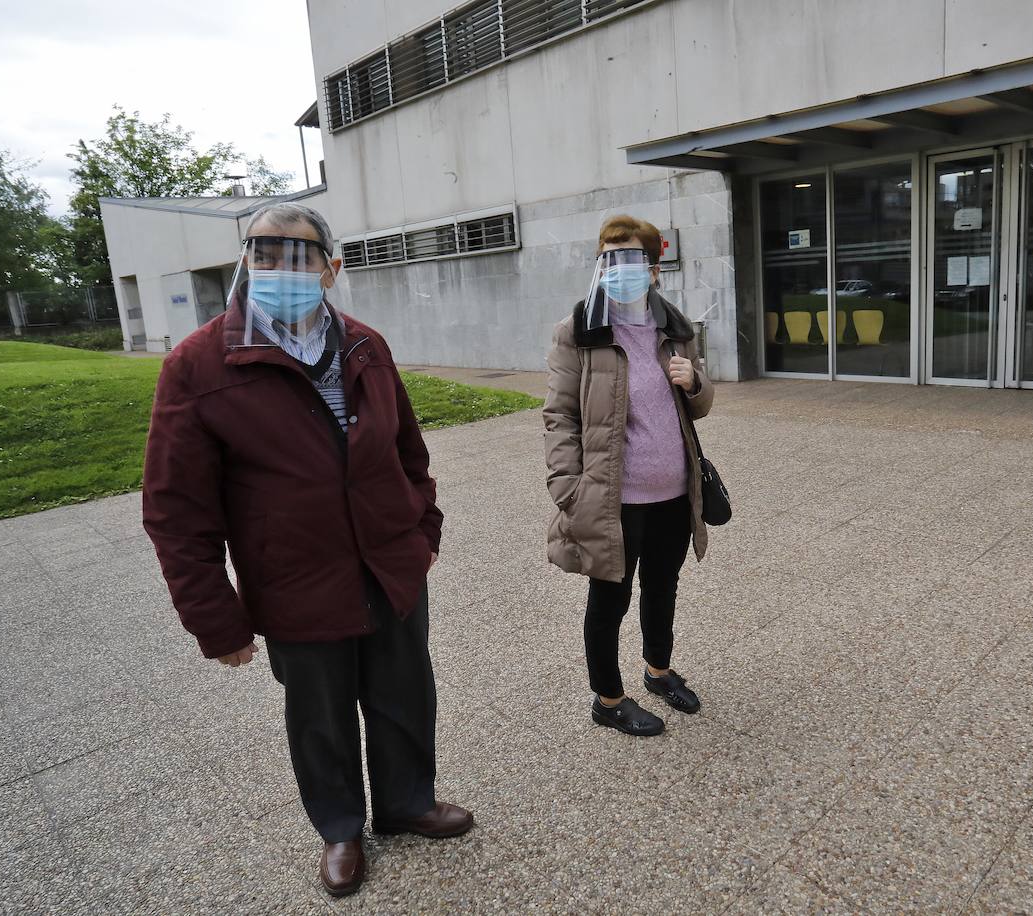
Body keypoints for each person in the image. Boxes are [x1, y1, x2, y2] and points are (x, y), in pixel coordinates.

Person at [142, 202, 472, 897]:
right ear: (246, 262)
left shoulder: (365, 346)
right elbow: (176, 509)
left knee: (404, 695)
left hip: (390, 566)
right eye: (263, 253)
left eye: (297, 255)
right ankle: (341, 828)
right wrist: (215, 617)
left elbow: (409, 454)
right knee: (318, 716)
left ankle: (409, 802)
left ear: (331, 267)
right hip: (294, 579)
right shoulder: (199, 365)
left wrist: (424, 531)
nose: (279, 268)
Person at [543, 215, 715, 737]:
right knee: (610, 598)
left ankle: (659, 672)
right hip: (612, 497)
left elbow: (699, 408)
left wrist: (696, 384)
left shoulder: (676, 331)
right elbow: (559, 416)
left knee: (663, 586)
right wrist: (569, 488)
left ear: (654, 270)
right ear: (599, 267)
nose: (620, 269)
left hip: (674, 492)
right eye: (609, 259)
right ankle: (609, 698)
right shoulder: (579, 331)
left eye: (631, 258)